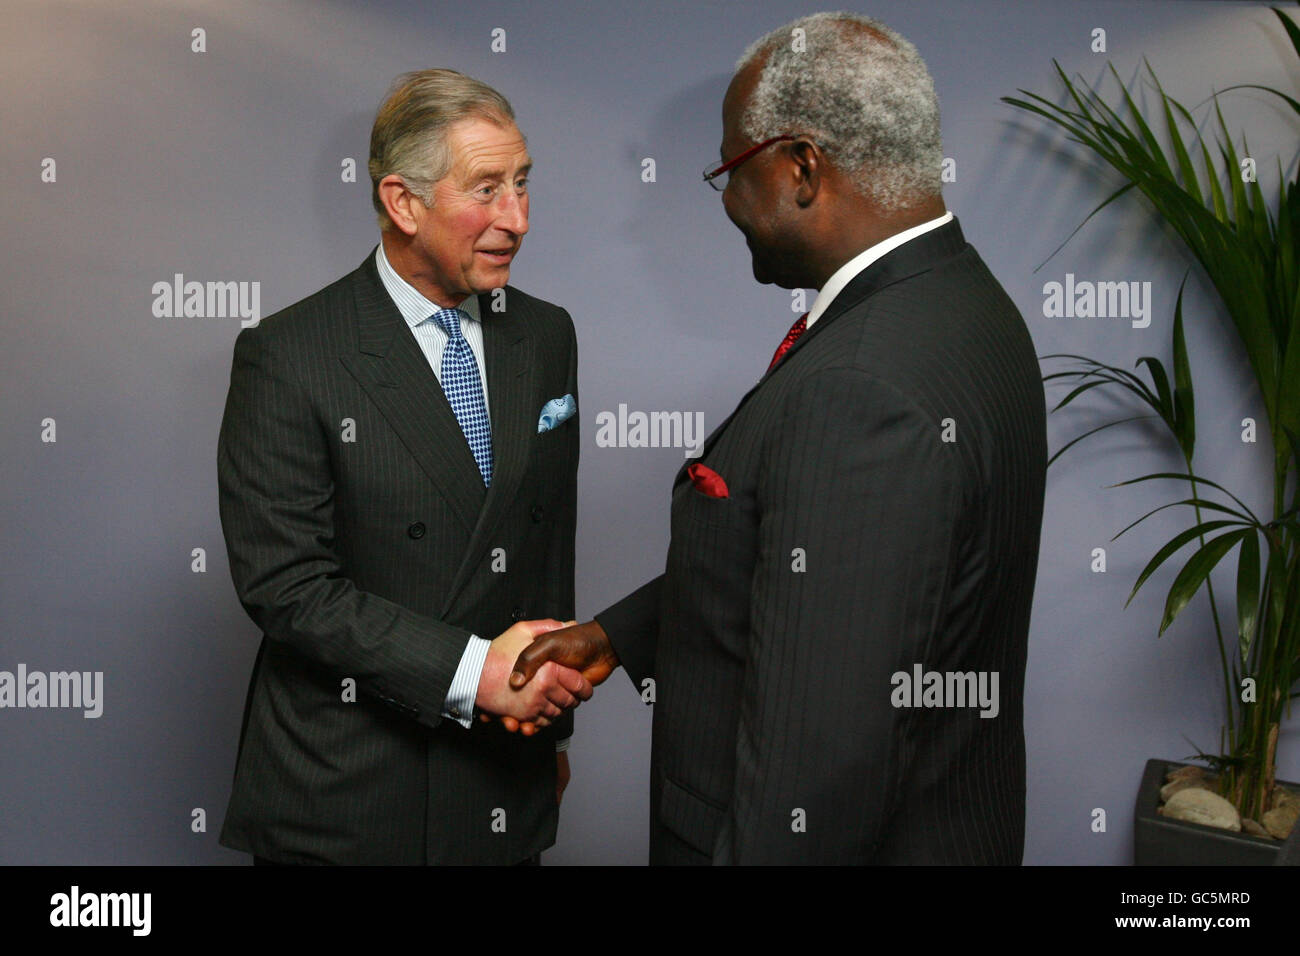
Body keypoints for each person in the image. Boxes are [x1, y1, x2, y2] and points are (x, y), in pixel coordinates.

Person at [507, 13, 1047, 864]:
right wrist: (619, 634)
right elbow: (828, 573)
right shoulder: (967, 308)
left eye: (730, 170)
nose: (725, 201)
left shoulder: (859, 390)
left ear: (801, 168)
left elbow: (817, 780)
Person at [216, 68, 591, 865]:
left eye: (523, 185)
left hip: (500, 779)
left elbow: (543, 552)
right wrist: (472, 672)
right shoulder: (289, 355)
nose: (517, 219)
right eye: (486, 189)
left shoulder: (547, 335)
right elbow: (288, 587)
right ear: (402, 202)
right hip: (348, 795)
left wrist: (545, 728)